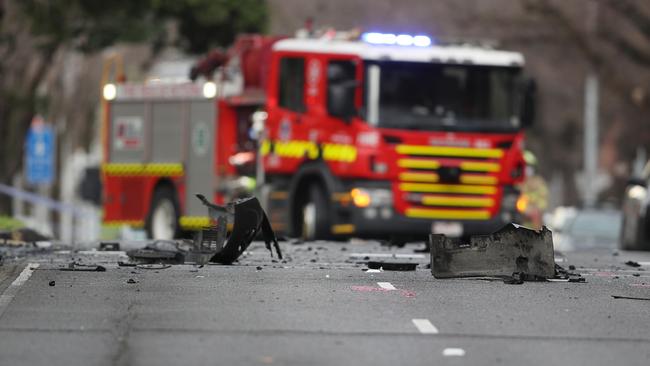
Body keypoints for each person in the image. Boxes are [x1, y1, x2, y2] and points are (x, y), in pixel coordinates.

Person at [518, 150, 549, 229]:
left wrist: (535, 210)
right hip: (518, 222)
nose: (527, 169)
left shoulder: (539, 182)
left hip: (534, 224)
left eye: (529, 166)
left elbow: (543, 201)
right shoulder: (515, 183)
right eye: (525, 166)